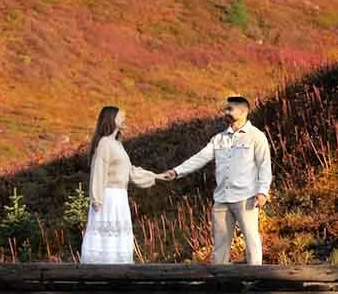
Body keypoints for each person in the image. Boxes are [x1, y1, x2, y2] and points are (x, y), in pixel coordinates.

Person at [170, 94, 272, 266]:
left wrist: (263, 191)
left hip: (246, 197)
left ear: (243, 111)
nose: (225, 112)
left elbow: (264, 165)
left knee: (251, 239)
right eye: (226, 109)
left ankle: (254, 279)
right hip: (222, 199)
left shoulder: (256, 136)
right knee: (220, 244)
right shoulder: (219, 138)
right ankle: (220, 281)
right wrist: (176, 171)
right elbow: (200, 157)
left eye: (229, 109)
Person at [80, 105, 162, 265]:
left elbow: (129, 171)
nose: (124, 118)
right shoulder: (104, 143)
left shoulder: (117, 144)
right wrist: (96, 199)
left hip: (119, 198)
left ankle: (117, 270)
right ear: (111, 119)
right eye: (120, 116)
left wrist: (156, 176)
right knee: (106, 239)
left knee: (118, 239)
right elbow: (98, 170)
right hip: (108, 198)